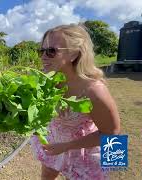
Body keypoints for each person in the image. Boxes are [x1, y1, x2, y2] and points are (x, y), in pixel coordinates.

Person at [31, 24, 121, 180]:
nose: (43, 56)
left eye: (51, 51)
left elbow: (113, 133)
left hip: (86, 152)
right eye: (41, 51)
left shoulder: (94, 90)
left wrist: (65, 147)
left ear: (74, 54)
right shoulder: (47, 81)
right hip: (55, 144)